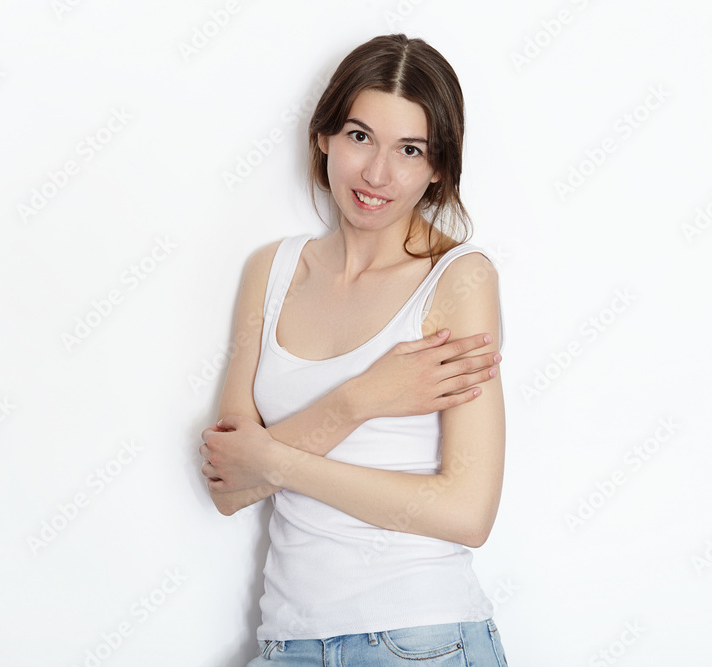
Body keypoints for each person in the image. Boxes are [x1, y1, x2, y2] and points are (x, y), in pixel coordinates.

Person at [200, 33, 508, 666]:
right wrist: (360, 400)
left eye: (410, 149)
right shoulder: (272, 271)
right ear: (324, 137)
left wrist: (274, 460)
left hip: (421, 637)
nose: (376, 174)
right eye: (360, 136)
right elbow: (230, 485)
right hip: (289, 642)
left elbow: (468, 514)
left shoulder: (457, 279)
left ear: (438, 167)